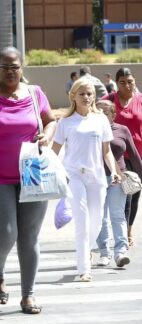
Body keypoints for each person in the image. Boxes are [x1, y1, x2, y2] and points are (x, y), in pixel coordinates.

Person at [0, 47, 57, 314]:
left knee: (29, 236)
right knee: (5, 234)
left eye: (15, 66)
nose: (10, 71)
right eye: (5, 66)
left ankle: (28, 295)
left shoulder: (35, 93)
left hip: (32, 172)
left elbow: (51, 121)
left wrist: (48, 135)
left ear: (22, 68)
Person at [52, 78, 120, 282]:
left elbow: (106, 151)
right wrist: (54, 173)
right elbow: (54, 152)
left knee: (97, 222)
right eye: (82, 93)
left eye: (90, 94)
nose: (87, 97)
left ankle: (86, 251)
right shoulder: (65, 122)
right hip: (74, 175)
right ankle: (84, 268)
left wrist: (114, 170)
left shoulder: (100, 120)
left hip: (97, 176)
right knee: (81, 221)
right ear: (73, 96)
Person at [95, 100, 142, 268]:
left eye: (105, 112)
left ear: (113, 115)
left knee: (117, 215)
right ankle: (104, 252)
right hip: (96, 179)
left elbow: (134, 155)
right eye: (97, 111)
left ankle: (120, 252)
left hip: (117, 177)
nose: (100, 115)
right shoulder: (91, 130)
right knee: (100, 217)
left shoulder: (122, 130)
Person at [104, 68, 142, 247]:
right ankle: (117, 233)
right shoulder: (109, 100)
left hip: (137, 154)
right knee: (121, 196)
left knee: (134, 193)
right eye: (122, 82)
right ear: (116, 84)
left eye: (130, 81)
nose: (127, 85)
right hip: (116, 155)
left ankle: (128, 230)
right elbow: (90, 110)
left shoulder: (140, 100)